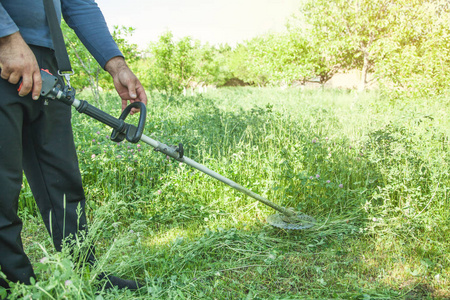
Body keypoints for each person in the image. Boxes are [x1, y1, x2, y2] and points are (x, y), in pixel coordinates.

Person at [0, 0, 148, 293]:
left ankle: (82, 271)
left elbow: (78, 3)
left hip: (45, 62)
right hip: (7, 51)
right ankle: (15, 285)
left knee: (62, 180)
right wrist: (6, 37)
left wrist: (116, 64)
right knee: (2, 185)